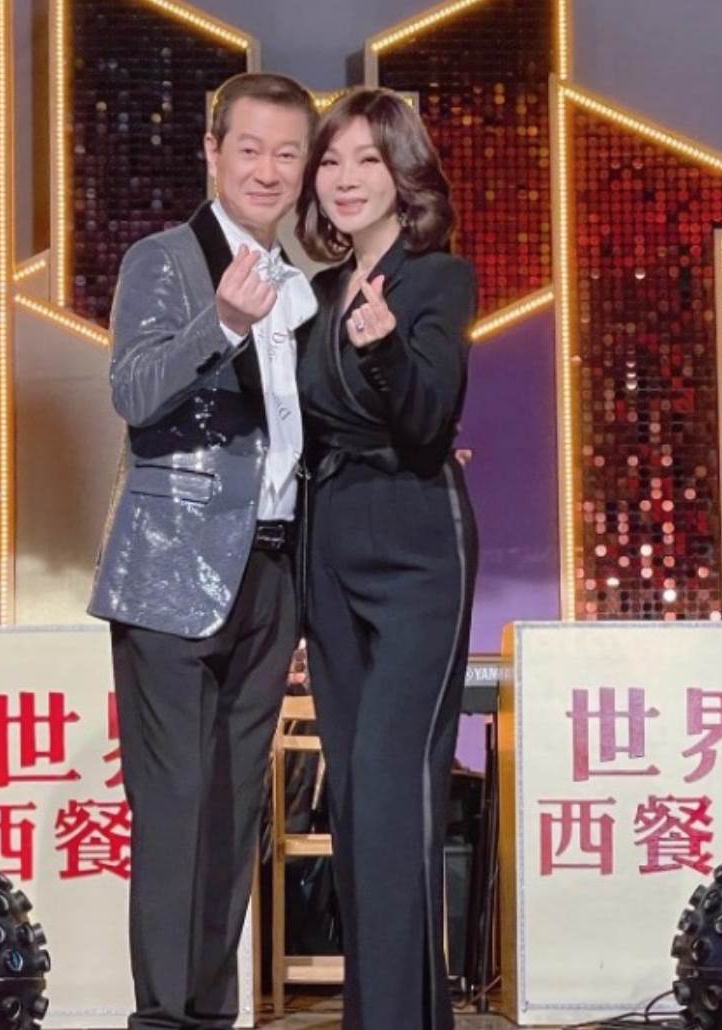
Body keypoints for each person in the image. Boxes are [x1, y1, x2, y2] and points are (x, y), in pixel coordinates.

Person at [88, 72, 317, 1030]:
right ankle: (165, 1019)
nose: (267, 170)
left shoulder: (305, 283)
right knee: (177, 805)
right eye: (249, 148)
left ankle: (210, 1015)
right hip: (171, 570)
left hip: (272, 572)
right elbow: (135, 392)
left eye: (287, 153)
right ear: (213, 153)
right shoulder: (165, 260)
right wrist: (221, 323)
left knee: (233, 811)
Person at [295, 87, 479, 1030]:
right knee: (357, 804)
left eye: (368, 159)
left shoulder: (437, 278)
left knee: (392, 785)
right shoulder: (315, 294)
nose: (345, 178)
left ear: (405, 174)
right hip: (329, 544)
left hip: (415, 546)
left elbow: (428, 418)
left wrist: (386, 351)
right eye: (331, 161)